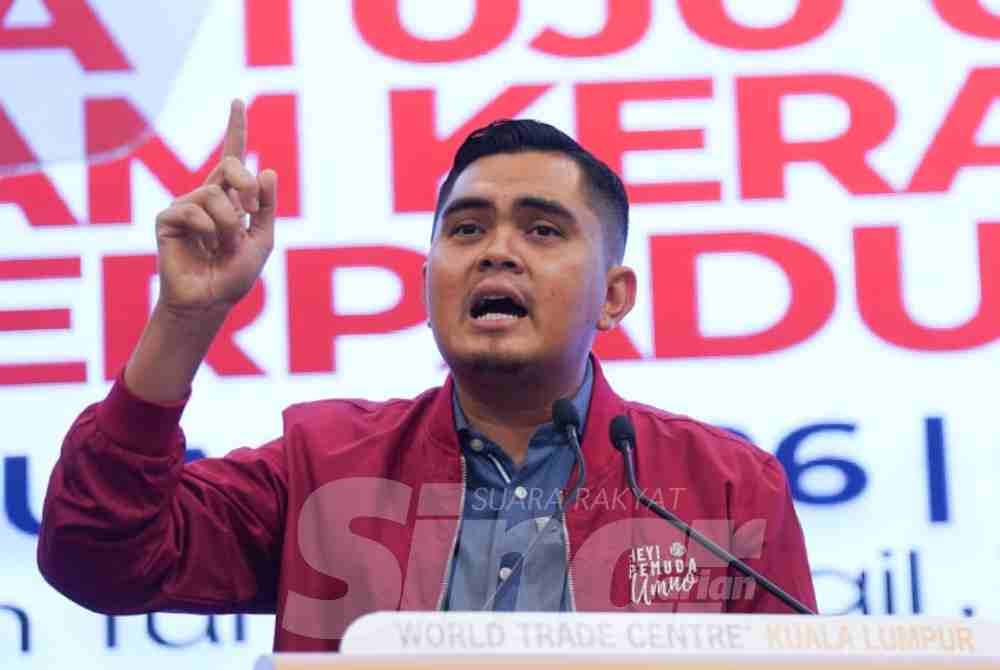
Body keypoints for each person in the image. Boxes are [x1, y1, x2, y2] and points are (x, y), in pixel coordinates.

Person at [38, 101, 816, 651]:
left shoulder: (721, 488)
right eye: (467, 228)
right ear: (428, 275)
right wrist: (185, 318)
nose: (496, 251)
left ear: (613, 297)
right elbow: (97, 558)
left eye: (543, 230)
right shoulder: (325, 464)